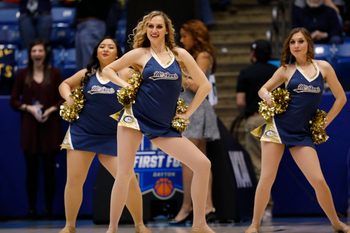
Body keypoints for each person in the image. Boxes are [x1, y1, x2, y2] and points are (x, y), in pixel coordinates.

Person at [102, 11, 216, 233]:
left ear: (166, 30)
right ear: (146, 29)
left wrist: (187, 114)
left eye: (158, 26)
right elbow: (108, 69)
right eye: (150, 26)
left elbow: (205, 86)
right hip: (134, 118)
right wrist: (123, 85)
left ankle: (199, 224)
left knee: (203, 165)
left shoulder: (180, 54)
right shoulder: (139, 54)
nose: (154, 30)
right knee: (124, 174)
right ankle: (112, 229)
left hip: (163, 125)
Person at [245, 27, 349, 233]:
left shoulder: (324, 67)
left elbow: (341, 98)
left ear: (308, 43)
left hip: (302, 133)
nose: (296, 45)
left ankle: (336, 223)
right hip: (277, 128)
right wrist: (268, 97)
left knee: (318, 180)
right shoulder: (285, 70)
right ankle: (254, 225)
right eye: (292, 42)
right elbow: (263, 89)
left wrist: (325, 122)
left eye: (300, 41)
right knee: (266, 178)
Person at [58, 36, 151, 233]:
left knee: (128, 178)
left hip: (113, 135)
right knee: (74, 181)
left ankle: (140, 224)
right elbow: (64, 84)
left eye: (111, 47)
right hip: (83, 132)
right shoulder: (87, 74)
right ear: (97, 52)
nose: (106, 49)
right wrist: (69, 99)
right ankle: (69, 226)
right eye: (102, 46)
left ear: (118, 54)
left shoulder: (126, 72)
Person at [169, 19, 220, 225]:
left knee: (191, 163)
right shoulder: (190, 56)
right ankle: (206, 208)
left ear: (195, 36)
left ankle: (190, 207)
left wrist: (176, 72)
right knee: (199, 162)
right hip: (190, 109)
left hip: (196, 110)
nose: (182, 40)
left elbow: (199, 85)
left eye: (185, 36)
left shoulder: (203, 56)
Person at [10, 39, 63, 219]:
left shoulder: (55, 73)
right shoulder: (22, 74)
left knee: (50, 172)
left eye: (40, 50)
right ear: (30, 54)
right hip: (30, 128)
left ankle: (49, 209)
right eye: (34, 51)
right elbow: (14, 100)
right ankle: (31, 208)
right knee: (31, 172)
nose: (37, 54)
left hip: (50, 128)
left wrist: (50, 110)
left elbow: (63, 99)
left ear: (45, 53)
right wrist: (29, 108)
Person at [235, 39, 277, 180]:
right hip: (273, 120)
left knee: (257, 162)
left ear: (253, 54)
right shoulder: (276, 72)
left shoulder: (246, 72)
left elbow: (240, 101)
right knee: (273, 162)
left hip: (254, 119)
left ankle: (265, 201)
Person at [74, 0, 116, 69]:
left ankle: (92, 80)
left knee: (89, 64)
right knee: (80, 67)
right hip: (80, 24)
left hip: (94, 23)